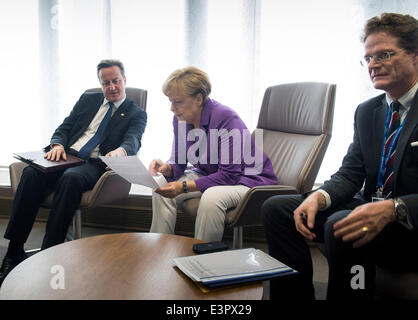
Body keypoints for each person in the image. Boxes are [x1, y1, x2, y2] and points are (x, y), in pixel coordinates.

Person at [262, 12, 418, 300]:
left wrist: (395, 208)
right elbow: (351, 173)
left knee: (343, 223)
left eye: (384, 54)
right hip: (368, 208)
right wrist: (317, 198)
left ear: (415, 55)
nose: (373, 64)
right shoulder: (368, 111)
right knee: (279, 209)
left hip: (408, 224)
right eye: (368, 58)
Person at [0, 59, 147, 285]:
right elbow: (65, 127)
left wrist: (121, 151)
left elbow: (133, 140)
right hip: (66, 156)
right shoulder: (88, 100)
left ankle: (50, 252)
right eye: (106, 83)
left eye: (116, 81)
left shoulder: (135, 113)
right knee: (31, 173)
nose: (112, 87)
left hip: (96, 164)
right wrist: (57, 145)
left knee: (70, 179)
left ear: (124, 80)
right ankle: (14, 250)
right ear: (101, 84)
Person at [149, 66, 277, 241]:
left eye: (177, 102)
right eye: (170, 101)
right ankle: (159, 251)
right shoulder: (180, 119)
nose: (172, 108)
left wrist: (183, 187)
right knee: (160, 185)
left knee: (212, 196)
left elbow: (230, 176)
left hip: (249, 180)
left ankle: (203, 260)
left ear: (198, 99)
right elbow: (179, 163)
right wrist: (168, 168)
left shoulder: (225, 117)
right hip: (214, 175)